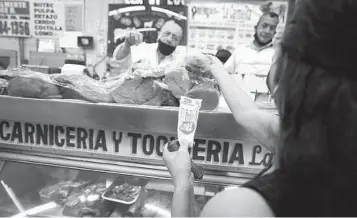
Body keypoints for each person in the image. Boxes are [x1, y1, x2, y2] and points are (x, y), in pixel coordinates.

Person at [163, 0, 357, 216]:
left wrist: (183, 182)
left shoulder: (239, 208)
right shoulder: (322, 142)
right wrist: (215, 67)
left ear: (287, 76)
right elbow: (248, 113)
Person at [225, 12, 279, 102]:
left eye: (272, 28)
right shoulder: (240, 51)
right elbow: (224, 74)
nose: (267, 31)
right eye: (264, 26)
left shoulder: (278, 54)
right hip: (238, 104)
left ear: (275, 32)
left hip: (267, 107)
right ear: (256, 28)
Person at [111, 20, 185, 75]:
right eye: (167, 33)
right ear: (159, 34)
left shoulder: (180, 63)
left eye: (175, 38)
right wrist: (127, 44)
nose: (169, 39)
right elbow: (120, 61)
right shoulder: (142, 49)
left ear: (178, 43)